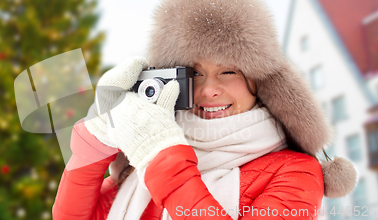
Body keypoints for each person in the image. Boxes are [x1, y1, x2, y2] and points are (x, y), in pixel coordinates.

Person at [52, 0, 357, 219]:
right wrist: (101, 132)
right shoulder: (143, 163)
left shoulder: (296, 172)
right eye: (194, 74)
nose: (208, 89)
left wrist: (162, 154)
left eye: (229, 72)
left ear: (259, 82)